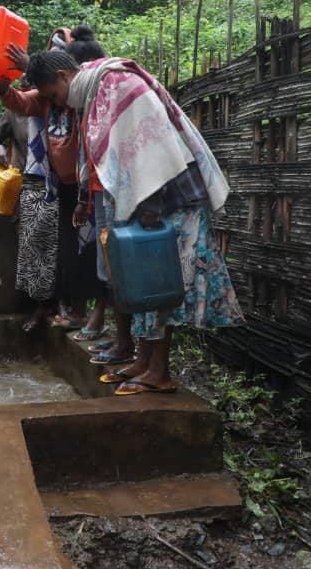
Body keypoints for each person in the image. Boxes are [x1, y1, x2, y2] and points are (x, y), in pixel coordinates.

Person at [25, 50, 242, 395]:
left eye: (53, 95)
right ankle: (144, 361)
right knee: (144, 284)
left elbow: (154, 138)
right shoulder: (97, 91)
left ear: (65, 77)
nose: (57, 103)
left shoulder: (116, 82)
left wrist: (150, 200)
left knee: (160, 284)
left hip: (167, 198)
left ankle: (159, 370)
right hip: (147, 201)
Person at [0, 31, 106, 337]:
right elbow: (19, 101)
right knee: (70, 249)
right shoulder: (46, 99)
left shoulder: (81, 94)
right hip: (65, 185)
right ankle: (74, 310)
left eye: (54, 92)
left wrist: (31, 63)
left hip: (91, 184)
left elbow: (85, 82)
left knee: (91, 248)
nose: (56, 98)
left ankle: (88, 313)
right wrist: (3, 86)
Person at [0, 106, 59, 332]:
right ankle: (39, 304)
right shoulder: (14, 112)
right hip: (26, 183)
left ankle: (57, 303)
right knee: (30, 246)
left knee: (58, 246)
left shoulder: (53, 106)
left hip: (57, 181)